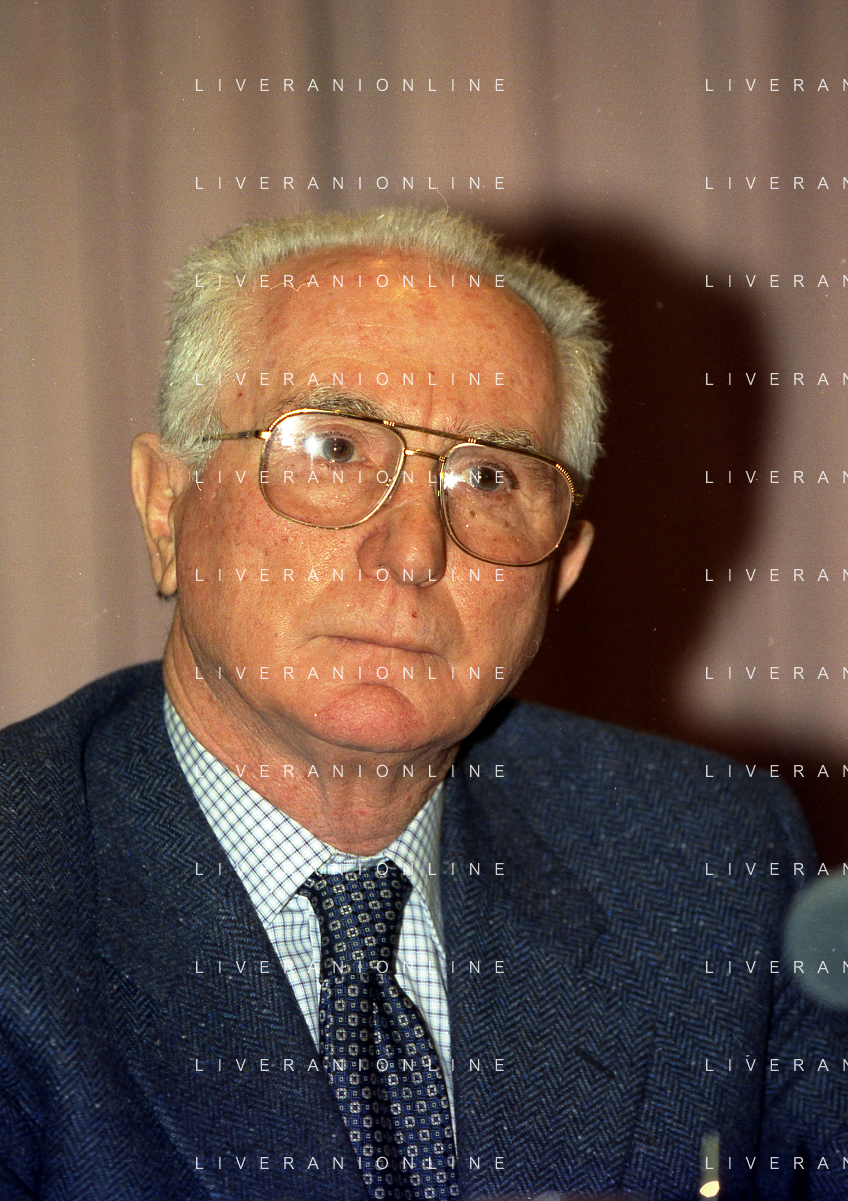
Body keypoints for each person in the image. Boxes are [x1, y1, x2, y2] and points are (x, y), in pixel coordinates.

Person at [0, 207, 844, 1201]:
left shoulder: (704, 859)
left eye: (488, 476)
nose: (411, 551)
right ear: (165, 506)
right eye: (333, 449)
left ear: (561, 571)